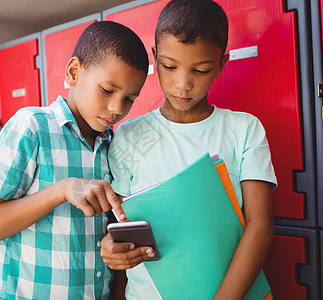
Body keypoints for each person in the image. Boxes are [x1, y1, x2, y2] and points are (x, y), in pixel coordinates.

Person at [100, 0, 277, 299]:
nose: (183, 84)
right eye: (170, 67)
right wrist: (111, 248)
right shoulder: (129, 134)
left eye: (201, 70)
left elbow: (261, 224)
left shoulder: (244, 129)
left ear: (221, 65)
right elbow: (118, 223)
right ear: (154, 59)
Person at [0, 21, 148, 299]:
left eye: (129, 99)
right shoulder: (32, 127)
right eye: (107, 90)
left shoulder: (114, 145)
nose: (117, 109)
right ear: (74, 72)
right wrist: (62, 190)